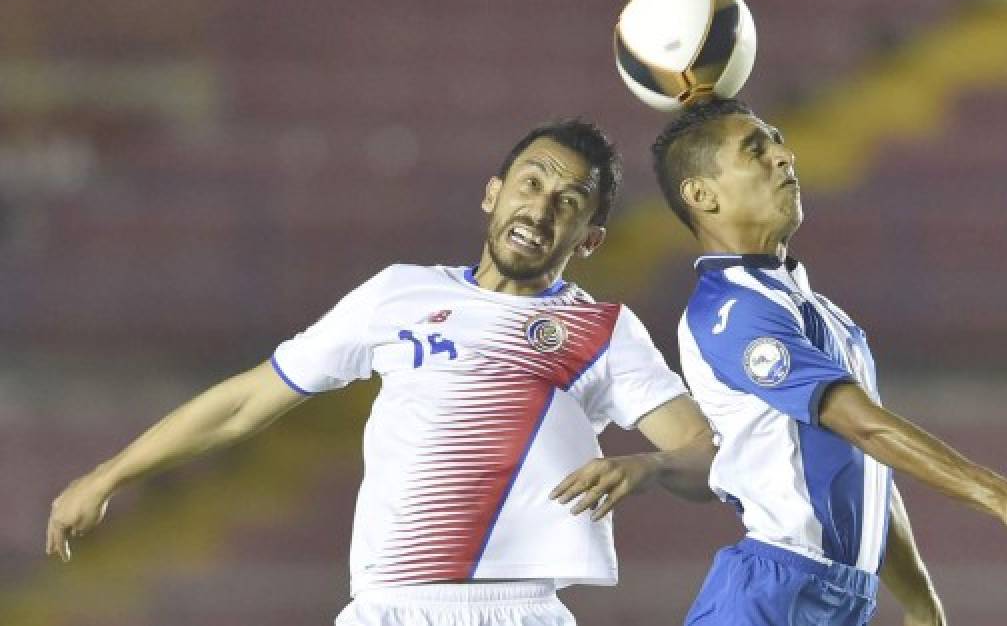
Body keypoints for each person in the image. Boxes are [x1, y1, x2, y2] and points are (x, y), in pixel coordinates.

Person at [46, 119, 717, 626]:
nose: (540, 209)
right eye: (531, 183)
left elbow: (705, 454)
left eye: (569, 202)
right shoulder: (397, 294)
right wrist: (110, 475)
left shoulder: (601, 329)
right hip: (389, 608)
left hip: (518, 610)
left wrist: (646, 468)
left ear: (590, 237)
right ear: (493, 193)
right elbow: (246, 401)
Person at [650, 98, 1007, 626]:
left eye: (778, 140)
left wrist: (918, 601)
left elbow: (864, 465)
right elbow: (866, 428)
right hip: (770, 597)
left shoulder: (820, 312)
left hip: (838, 597)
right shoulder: (731, 309)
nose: (784, 155)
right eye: (756, 149)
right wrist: (1003, 498)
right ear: (701, 194)